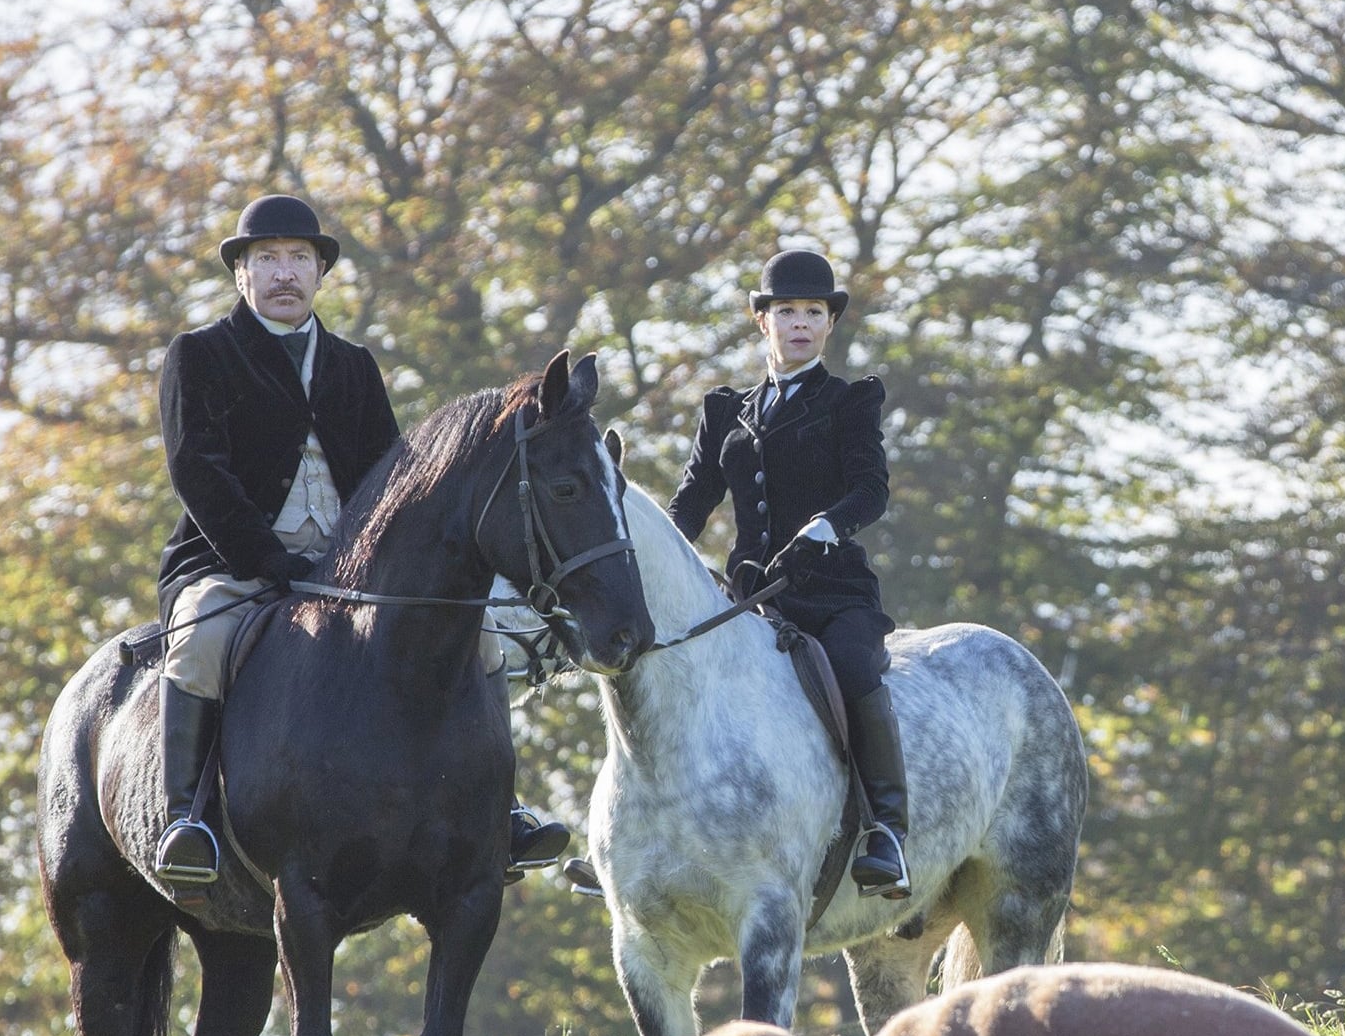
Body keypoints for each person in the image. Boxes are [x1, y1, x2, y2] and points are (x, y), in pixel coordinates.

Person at [150, 194, 572, 890]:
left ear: (320, 273)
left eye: (298, 259)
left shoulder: (354, 364)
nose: (284, 273)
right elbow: (198, 471)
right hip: (234, 563)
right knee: (198, 639)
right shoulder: (200, 355)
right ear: (241, 276)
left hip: (349, 575)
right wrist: (268, 559)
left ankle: (504, 810)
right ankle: (183, 818)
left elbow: (393, 483)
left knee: (483, 641)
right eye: (267, 260)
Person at [666, 248, 910, 898]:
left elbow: (871, 490)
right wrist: (654, 548)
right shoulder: (724, 412)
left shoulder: (850, 402)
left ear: (829, 325)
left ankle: (887, 830)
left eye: (813, 312)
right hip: (751, 603)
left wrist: (822, 531)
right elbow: (694, 499)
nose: (800, 323)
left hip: (833, 597)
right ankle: (656, 834)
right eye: (786, 311)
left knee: (855, 669)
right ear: (762, 321)